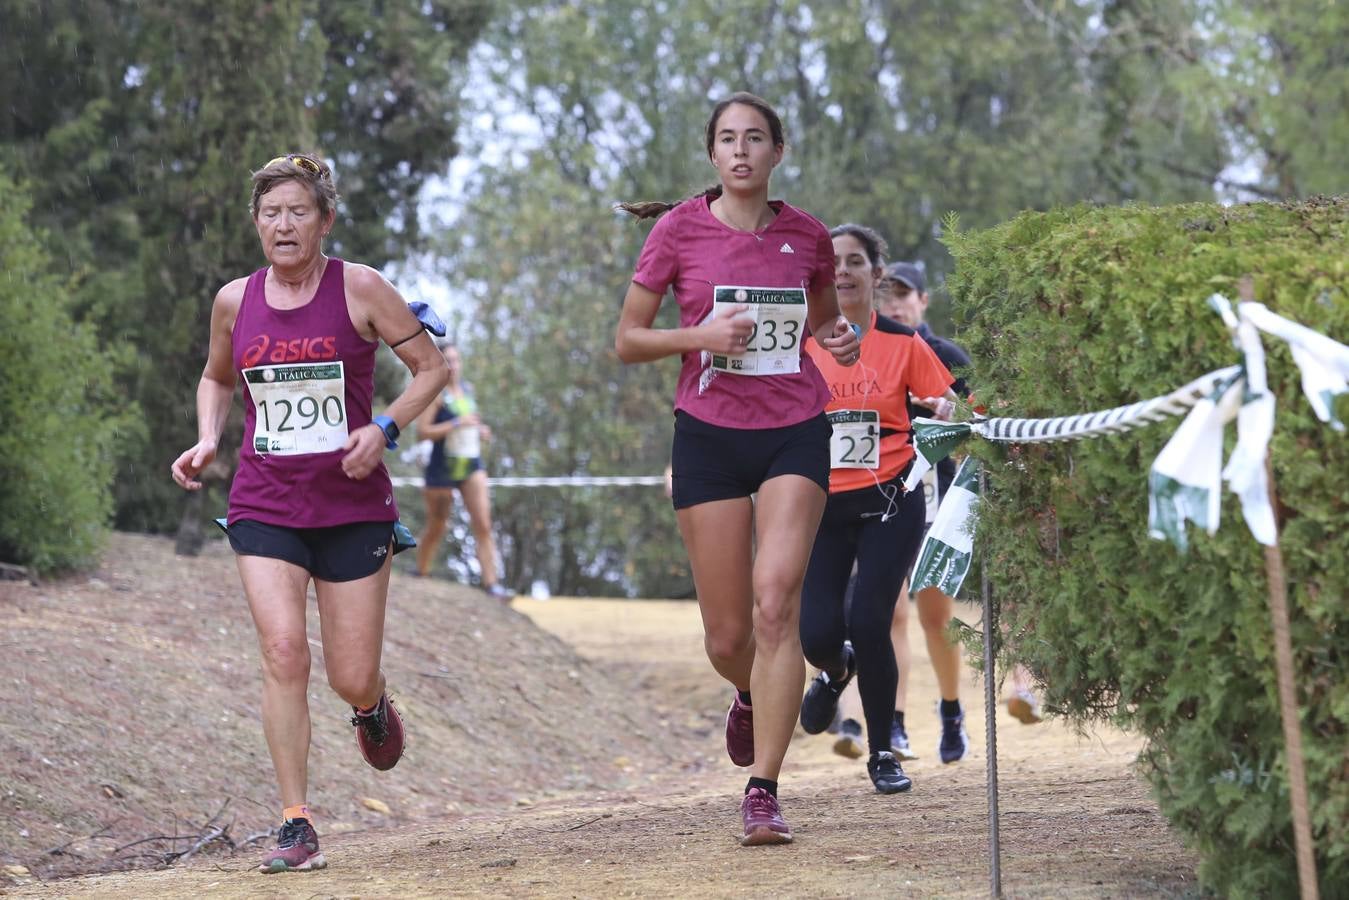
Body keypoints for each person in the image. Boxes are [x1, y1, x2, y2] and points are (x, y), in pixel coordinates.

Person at [170, 153, 449, 874]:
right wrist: (207, 437)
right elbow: (216, 375)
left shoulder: (360, 288)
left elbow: (432, 370)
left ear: (324, 219)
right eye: (270, 213)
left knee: (348, 674)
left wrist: (383, 429)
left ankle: (371, 705)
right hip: (265, 503)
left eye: (297, 211)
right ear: (256, 223)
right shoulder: (235, 300)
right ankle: (296, 821)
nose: (283, 225)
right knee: (284, 652)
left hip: (354, 507)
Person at [614, 92, 860, 845]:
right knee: (728, 639)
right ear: (712, 155)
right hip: (709, 436)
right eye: (728, 139)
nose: (742, 150)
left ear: (777, 153)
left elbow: (821, 322)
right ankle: (749, 694)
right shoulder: (676, 230)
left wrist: (839, 341)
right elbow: (627, 339)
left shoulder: (806, 236)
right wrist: (701, 335)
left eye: (756, 138)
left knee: (774, 604)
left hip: (794, 429)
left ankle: (764, 791)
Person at [797, 224, 959, 793]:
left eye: (854, 261)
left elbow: (949, 400)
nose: (841, 270)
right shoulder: (802, 346)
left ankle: (884, 749)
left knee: (872, 620)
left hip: (893, 498)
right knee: (816, 633)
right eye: (832, 261)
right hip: (821, 505)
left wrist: (944, 407)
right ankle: (834, 670)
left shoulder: (903, 343)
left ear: (875, 274)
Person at [872, 260, 980, 762]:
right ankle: (892, 726)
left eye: (903, 295)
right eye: (886, 296)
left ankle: (951, 711)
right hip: (882, 496)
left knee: (935, 616)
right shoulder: (865, 350)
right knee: (889, 611)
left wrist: (954, 412)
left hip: (938, 498)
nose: (894, 305)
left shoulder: (947, 355)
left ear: (923, 300)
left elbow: (985, 417)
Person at [414, 340, 512, 601]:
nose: (454, 366)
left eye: (456, 360)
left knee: (484, 524)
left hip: (470, 464)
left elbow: (471, 422)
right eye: (448, 361)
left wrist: (480, 431)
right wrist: (456, 423)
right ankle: (421, 572)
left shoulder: (468, 390)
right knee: (437, 524)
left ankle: (492, 586)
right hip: (441, 467)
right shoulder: (435, 396)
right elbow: (421, 433)